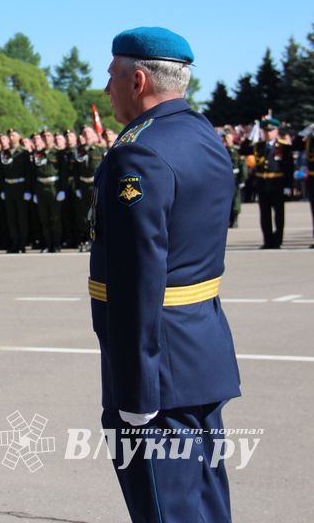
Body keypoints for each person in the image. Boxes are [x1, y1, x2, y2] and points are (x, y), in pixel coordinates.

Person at [90, 27, 240, 521]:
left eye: (112, 76)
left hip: (158, 370)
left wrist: (137, 391)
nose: (105, 87)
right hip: (201, 352)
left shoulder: (137, 152)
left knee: (165, 510)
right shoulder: (202, 134)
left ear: (137, 80)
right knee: (206, 501)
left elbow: (138, 279)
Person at [252, 119, 294, 248]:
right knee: (265, 214)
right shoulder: (258, 146)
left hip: (278, 183)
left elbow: (289, 167)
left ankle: (277, 241)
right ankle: (267, 241)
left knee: (279, 215)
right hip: (262, 183)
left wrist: (288, 185)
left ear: (276, 131)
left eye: (271, 130)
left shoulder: (284, 146)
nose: (268, 133)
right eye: (266, 131)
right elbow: (243, 149)